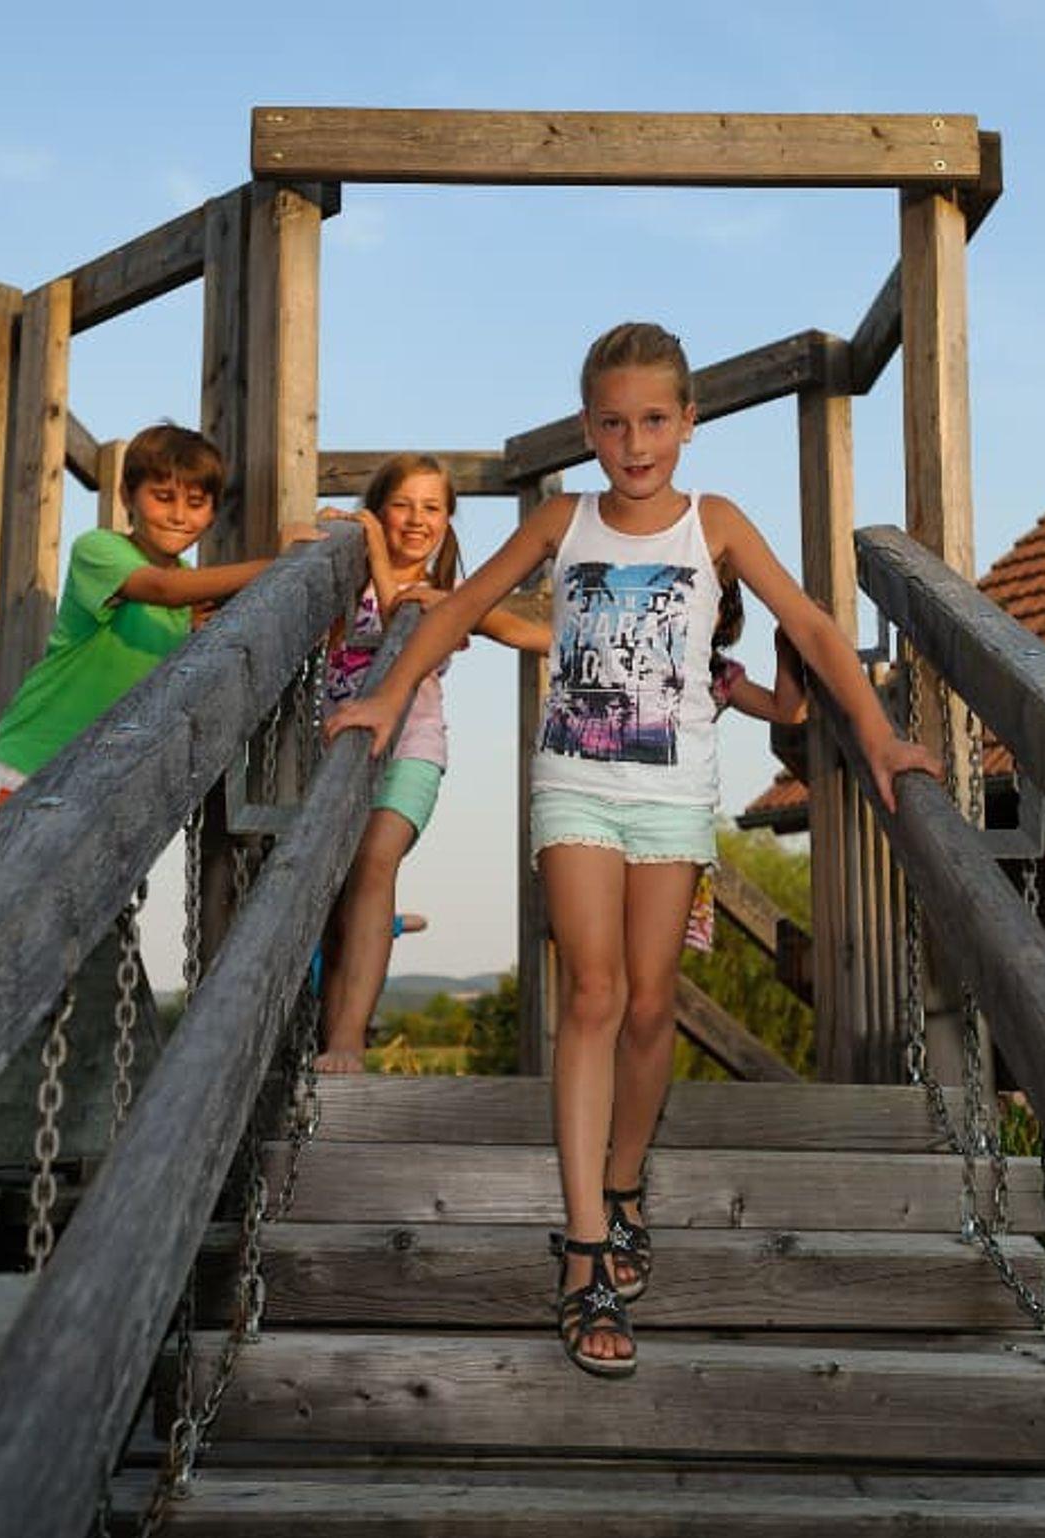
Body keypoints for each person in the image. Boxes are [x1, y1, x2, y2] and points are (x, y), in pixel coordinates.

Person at [324, 323, 940, 1378]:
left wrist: (880, 740)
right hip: (575, 782)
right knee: (596, 992)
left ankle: (622, 1180)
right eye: (612, 423)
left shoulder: (715, 523)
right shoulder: (562, 521)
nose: (635, 442)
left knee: (652, 1003)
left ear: (688, 422)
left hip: (671, 793)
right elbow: (461, 607)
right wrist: (385, 697)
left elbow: (810, 626)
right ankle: (583, 1248)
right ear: (587, 428)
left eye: (654, 420)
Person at [314, 454, 549, 1073]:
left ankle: (348, 1041)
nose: (417, 519)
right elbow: (291, 554)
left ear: (448, 520)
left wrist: (372, 538)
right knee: (334, 903)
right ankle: (325, 1041)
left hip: (412, 751)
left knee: (375, 865)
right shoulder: (343, 580)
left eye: (432, 508)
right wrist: (334, 535)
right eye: (401, 506)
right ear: (377, 509)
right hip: (334, 757)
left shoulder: (446, 600)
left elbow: (516, 631)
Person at [0, 423, 320, 829]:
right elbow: (162, 588)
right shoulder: (100, 550)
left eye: (196, 503)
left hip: (101, 784)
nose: (179, 515)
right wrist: (283, 564)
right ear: (126, 496)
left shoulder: (189, 589)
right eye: (163, 497)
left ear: (212, 512)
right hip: (32, 766)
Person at [682, 570, 807, 952]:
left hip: (679, 819)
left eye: (708, 600)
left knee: (657, 951)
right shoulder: (631, 655)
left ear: (724, 613)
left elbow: (787, 711)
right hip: (618, 807)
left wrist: (784, 650)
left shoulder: (719, 675)